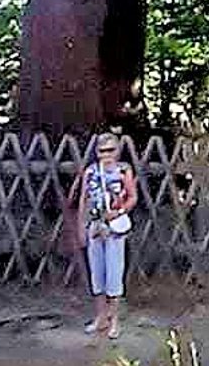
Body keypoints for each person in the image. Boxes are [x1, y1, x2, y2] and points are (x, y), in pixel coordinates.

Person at [73, 130, 138, 340]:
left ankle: (115, 319)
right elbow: (84, 198)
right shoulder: (91, 171)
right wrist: (81, 225)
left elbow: (132, 197)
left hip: (114, 228)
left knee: (114, 272)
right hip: (95, 226)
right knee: (97, 274)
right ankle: (101, 316)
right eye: (102, 151)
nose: (106, 154)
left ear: (117, 151)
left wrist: (118, 212)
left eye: (110, 150)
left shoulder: (123, 171)